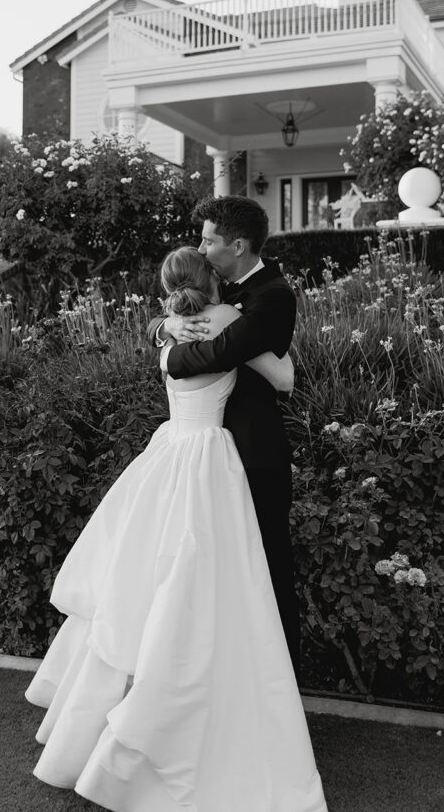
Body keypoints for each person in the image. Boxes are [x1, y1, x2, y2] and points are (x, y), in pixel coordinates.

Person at [25, 246, 327, 812]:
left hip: (168, 454)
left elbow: (175, 352)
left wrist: (164, 321)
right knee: (212, 584)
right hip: (212, 461)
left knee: (148, 580)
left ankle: (120, 705)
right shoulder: (227, 318)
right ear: (211, 277)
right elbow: (282, 376)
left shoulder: (165, 331)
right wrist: (239, 330)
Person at [148, 195, 301, 676]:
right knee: (210, 571)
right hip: (208, 454)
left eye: (208, 239)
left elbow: (223, 353)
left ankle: (279, 685)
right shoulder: (219, 296)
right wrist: (164, 326)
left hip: (253, 454)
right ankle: (219, 676)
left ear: (236, 245)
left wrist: (169, 356)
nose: (201, 246)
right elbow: (175, 323)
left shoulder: (272, 295)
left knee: (266, 568)